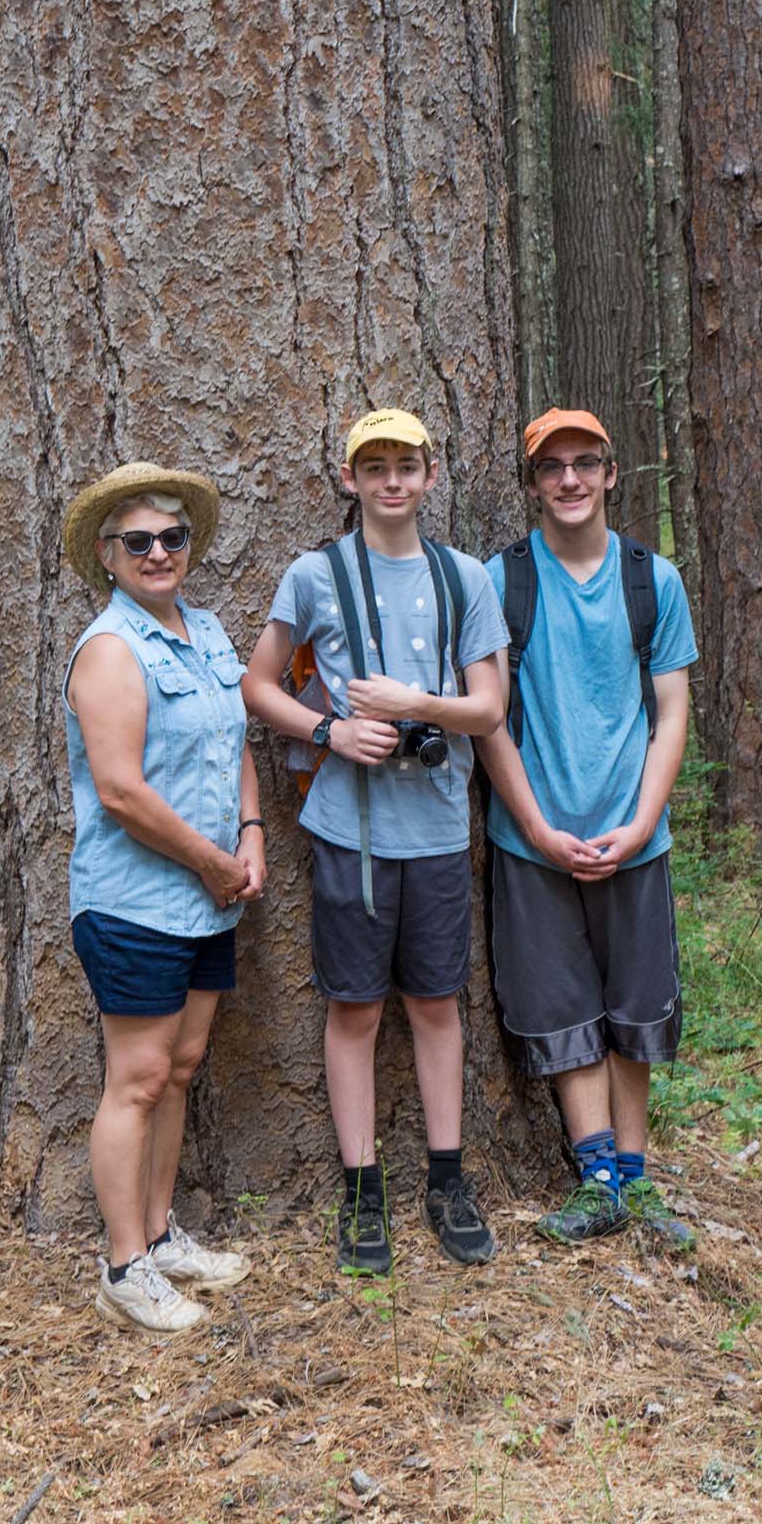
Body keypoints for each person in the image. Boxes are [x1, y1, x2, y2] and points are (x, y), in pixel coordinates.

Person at [242, 408, 509, 1275]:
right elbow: (257, 684)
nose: (392, 481)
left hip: (435, 826)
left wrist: (413, 706)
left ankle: (447, 1179)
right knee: (353, 1008)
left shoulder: (464, 577)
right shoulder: (314, 575)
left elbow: (488, 708)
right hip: (348, 831)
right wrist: (330, 731)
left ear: (431, 476)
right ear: (349, 478)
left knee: (436, 1002)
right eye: (375, 467)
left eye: (406, 466)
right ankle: (362, 1191)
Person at [477, 409, 698, 1250]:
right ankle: (596, 1179)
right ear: (533, 484)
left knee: (636, 1006)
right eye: (551, 466)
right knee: (561, 1006)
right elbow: (489, 723)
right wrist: (535, 827)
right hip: (532, 841)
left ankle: (636, 1179)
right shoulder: (501, 582)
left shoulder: (653, 582)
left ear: (611, 474)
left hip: (633, 837)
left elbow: (671, 715)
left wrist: (641, 823)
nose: (569, 479)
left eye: (584, 463)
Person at [62, 459, 264, 1335]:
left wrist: (250, 833)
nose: (157, 553)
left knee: (178, 1070)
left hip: (207, 899)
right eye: (137, 541)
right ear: (108, 556)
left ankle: (157, 1236)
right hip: (135, 902)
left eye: (171, 537)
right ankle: (123, 1268)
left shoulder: (207, 632)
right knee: (138, 1080)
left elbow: (234, 742)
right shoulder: (110, 650)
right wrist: (212, 863)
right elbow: (120, 791)